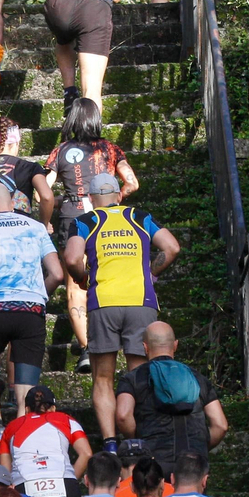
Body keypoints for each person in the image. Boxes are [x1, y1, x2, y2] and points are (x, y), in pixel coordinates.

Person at [62, 172, 180, 451]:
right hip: (141, 302)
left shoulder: (86, 221)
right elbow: (172, 247)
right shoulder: (140, 217)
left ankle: (111, 442)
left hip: (103, 303)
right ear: (119, 196)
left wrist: (82, 279)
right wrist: (151, 273)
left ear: (91, 199)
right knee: (138, 375)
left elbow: (71, 258)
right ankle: (138, 438)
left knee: (103, 377)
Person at [0, 183, 64, 450]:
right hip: (30, 311)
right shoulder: (36, 227)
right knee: (25, 383)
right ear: (11, 203)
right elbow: (57, 274)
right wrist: (39, 297)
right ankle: (19, 432)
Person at [44, 98, 140, 373]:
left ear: (72, 120)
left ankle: (87, 348)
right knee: (107, 274)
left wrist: (47, 218)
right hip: (106, 218)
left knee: (75, 286)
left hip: (73, 217)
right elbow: (132, 182)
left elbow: (45, 191)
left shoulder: (60, 151)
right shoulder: (110, 148)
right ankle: (113, 339)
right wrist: (116, 197)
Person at [117, 320, 229, 473]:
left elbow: (123, 416)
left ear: (145, 347)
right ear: (175, 345)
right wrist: (200, 447)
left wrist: (141, 442)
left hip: (154, 465)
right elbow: (221, 425)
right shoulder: (197, 378)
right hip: (193, 464)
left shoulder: (133, 378)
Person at [0, 385, 91, 497]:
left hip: (23, 485)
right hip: (64, 483)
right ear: (53, 408)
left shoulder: (11, 428)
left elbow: (4, 470)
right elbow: (86, 453)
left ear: (26, 409)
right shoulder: (66, 420)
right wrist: (71, 478)